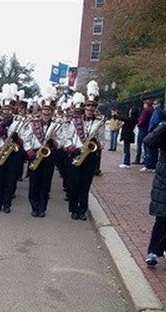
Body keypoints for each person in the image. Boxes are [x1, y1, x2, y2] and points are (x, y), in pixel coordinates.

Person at [21, 85, 65, 218]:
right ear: (41, 110)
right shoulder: (32, 122)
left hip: (49, 155)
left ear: (52, 111)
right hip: (35, 154)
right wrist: (29, 151)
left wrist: (55, 143)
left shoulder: (56, 124)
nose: (46, 113)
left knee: (46, 183)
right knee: (34, 182)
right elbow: (25, 137)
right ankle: (34, 206)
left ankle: (42, 207)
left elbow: (62, 139)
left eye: (49, 110)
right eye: (45, 110)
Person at [64, 81, 105, 221]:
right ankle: (73, 209)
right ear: (84, 107)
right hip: (76, 155)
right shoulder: (75, 121)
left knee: (85, 184)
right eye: (88, 106)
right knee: (74, 183)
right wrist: (72, 148)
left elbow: (102, 142)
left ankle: (83, 210)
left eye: (93, 106)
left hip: (90, 156)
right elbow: (67, 138)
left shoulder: (99, 122)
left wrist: (97, 143)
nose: (90, 109)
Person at [144, 116, 166, 266]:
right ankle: (153, 252)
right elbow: (148, 142)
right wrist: (164, 126)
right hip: (165, 181)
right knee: (162, 218)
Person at [0, 88, 24, 213]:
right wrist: (0, 129)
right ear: (1, 110)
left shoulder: (19, 122)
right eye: (4, 109)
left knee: (10, 179)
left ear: (12, 110)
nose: (6, 112)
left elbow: (23, 138)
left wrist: (17, 138)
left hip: (13, 153)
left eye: (9, 109)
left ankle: (7, 204)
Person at [141, 99, 166, 172]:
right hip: (157, 133)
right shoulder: (161, 112)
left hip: (153, 132)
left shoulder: (157, 112)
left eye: (155, 104)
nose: (153, 105)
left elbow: (154, 122)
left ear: (159, 104)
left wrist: (150, 130)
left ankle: (149, 166)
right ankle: (153, 166)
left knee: (149, 149)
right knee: (154, 150)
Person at [134, 99, 153, 165]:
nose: (143, 105)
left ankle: (137, 159)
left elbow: (142, 120)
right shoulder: (152, 111)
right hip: (149, 129)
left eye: (145, 104)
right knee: (146, 145)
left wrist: (138, 124)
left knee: (139, 145)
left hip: (142, 129)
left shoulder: (145, 111)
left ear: (147, 105)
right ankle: (146, 159)